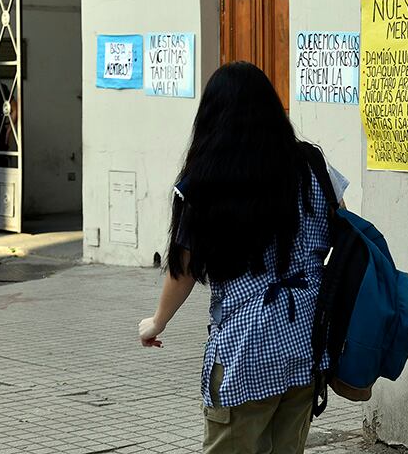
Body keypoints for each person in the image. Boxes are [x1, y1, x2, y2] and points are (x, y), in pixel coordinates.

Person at [138, 61, 348, 454]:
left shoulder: (204, 181)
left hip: (244, 346)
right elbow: (343, 232)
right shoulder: (313, 166)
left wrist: (156, 322)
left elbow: (183, 269)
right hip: (305, 339)